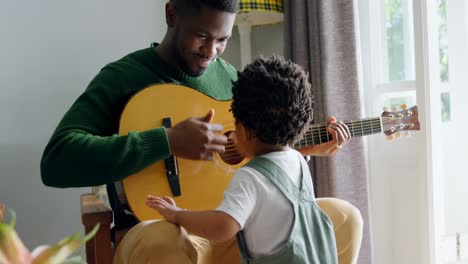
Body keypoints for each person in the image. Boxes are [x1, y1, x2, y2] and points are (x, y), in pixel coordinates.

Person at [40, 0, 360, 263]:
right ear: (171, 14)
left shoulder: (234, 80)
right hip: (157, 227)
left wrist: (296, 149)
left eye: (223, 40)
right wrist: (166, 141)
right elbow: (56, 161)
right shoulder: (122, 78)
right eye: (202, 36)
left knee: (343, 218)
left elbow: (249, 154)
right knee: (163, 242)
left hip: (236, 227)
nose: (212, 51)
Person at [145, 55, 353, 263]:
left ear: (243, 130)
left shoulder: (250, 177)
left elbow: (223, 226)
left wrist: (177, 214)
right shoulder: (298, 161)